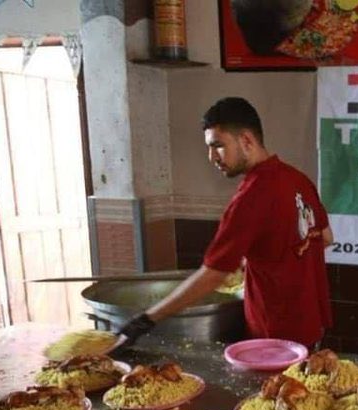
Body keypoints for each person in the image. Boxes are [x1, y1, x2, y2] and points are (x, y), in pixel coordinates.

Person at [118, 97, 333, 348]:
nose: (212, 157)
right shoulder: (298, 179)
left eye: (218, 145)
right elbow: (325, 238)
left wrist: (147, 319)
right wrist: (260, 258)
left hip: (275, 336)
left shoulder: (251, 196)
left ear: (246, 140)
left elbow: (212, 276)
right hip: (311, 326)